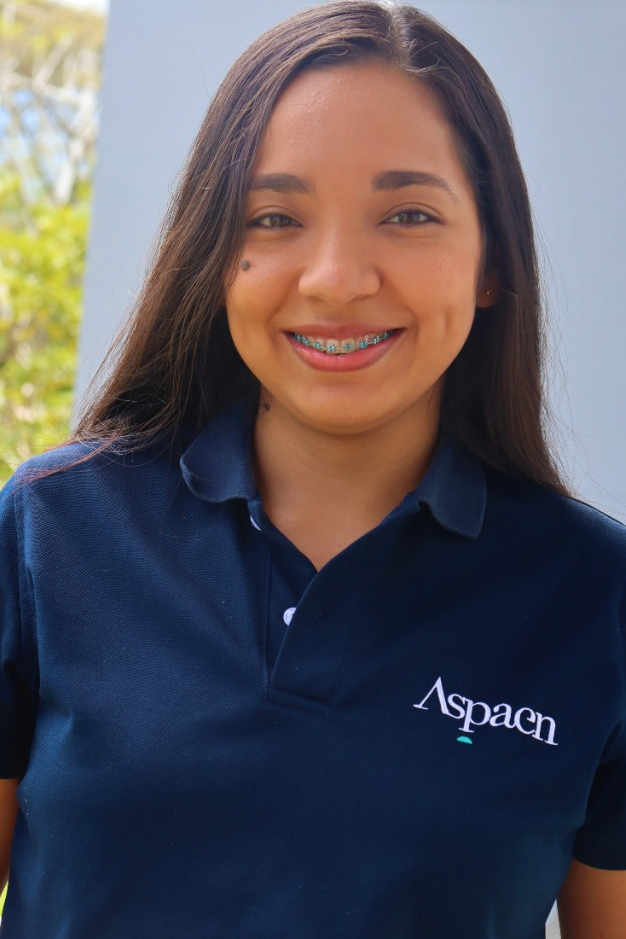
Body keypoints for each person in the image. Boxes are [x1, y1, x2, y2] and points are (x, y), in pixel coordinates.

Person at [0, 1, 625, 936]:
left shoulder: (596, 597)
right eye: (275, 217)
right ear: (217, 254)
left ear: (492, 260)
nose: (335, 278)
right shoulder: (53, 529)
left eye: (408, 214)